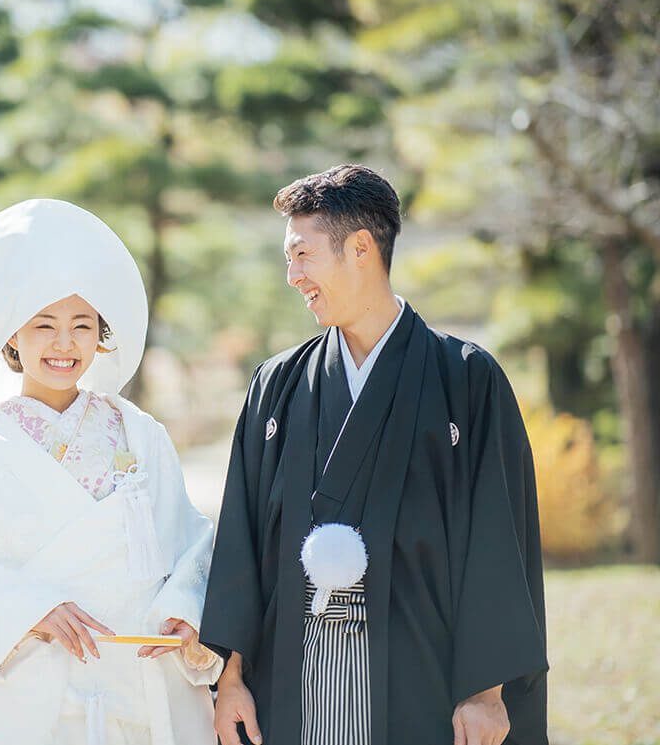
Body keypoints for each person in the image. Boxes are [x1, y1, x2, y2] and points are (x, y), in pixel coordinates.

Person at [199, 165, 547, 745]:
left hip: (421, 680)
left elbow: (498, 538)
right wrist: (231, 679)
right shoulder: (277, 384)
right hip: (294, 680)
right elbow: (242, 537)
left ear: (362, 248)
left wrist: (486, 691)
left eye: (303, 254)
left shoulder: (464, 380)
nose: (292, 275)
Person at [0, 198, 222, 745]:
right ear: (12, 337)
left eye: (82, 325)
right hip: (39, 684)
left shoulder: (137, 431)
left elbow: (191, 542)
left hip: (137, 677)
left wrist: (183, 610)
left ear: (100, 336)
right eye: (44, 325)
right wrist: (30, 609)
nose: (63, 343)